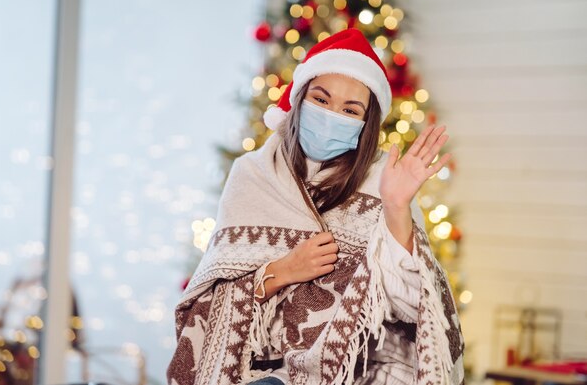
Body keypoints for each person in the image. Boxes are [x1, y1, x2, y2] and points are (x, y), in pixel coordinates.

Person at [166, 28, 465, 385]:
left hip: (361, 372)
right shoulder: (252, 174)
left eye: (350, 109)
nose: (331, 115)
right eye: (321, 100)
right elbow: (208, 303)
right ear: (299, 98)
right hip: (260, 371)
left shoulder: (383, 181)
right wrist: (284, 270)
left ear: (365, 124)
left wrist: (396, 206)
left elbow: (414, 309)